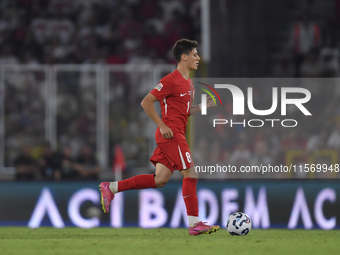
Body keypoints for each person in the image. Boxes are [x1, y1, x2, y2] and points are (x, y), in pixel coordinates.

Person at [99, 39, 219, 235]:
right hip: (170, 133)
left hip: (174, 133)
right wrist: (161, 125)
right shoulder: (170, 79)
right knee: (191, 173)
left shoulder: (189, 85)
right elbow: (146, 102)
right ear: (184, 57)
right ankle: (194, 224)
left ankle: (111, 187)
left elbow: (184, 112)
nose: (198, 58)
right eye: (195, 54)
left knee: (160, 179)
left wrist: (202, 106)